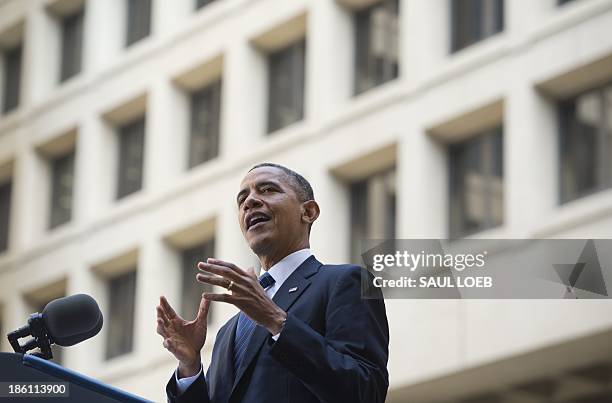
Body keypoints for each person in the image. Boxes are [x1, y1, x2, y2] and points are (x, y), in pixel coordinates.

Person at [156, 163, 389, 403]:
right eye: (242, 199)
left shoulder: (346, 282)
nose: (250, 202)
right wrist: (189, 366)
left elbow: (366, 391)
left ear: (308, 212)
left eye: (267, 190)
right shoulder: (228, 332)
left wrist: (277, 321)